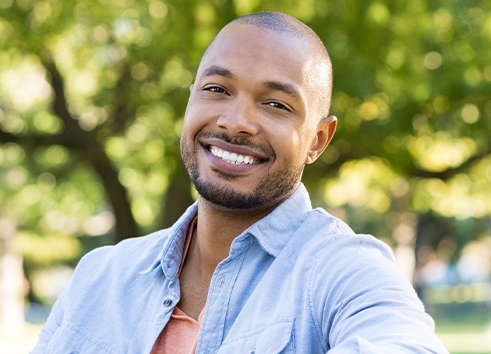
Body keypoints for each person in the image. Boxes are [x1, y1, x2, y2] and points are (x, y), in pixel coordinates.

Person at [32, 11, 448, 353]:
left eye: (275, 104)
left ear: (317, 140)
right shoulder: (101, 277)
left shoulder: (342, 270)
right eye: (216, 89)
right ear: (191, 98)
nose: (235, 122)